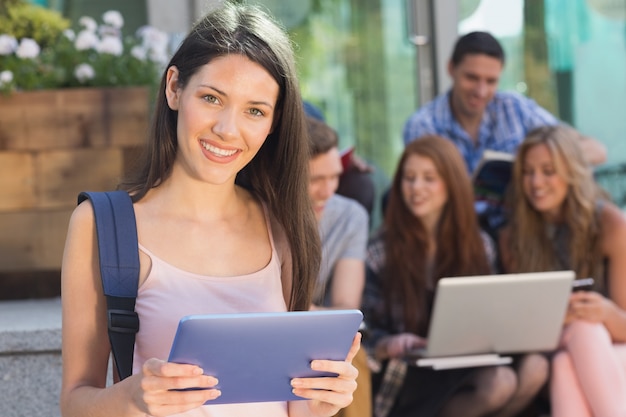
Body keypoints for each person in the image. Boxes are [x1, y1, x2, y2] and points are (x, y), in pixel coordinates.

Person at [59, 3, 360, 417]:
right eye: (212, 98)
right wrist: (132, 397)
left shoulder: (281, 223)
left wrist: (322, 402)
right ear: (174, 88)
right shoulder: (104, 225)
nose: (227, 130)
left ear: (273, 123)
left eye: (255, 110)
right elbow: (75, 402)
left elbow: (291, 408)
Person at [362, 135, 548, 417]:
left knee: (536, 367)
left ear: (451, 184)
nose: (416, 188)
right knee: (498, 383)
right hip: (410, 374)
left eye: (428, 178)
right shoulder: (379, 251)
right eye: (409, 178)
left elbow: (497, 314)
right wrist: (388, 344)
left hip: (466, 362)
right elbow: (361, 328)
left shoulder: (479, 244)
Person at [499, 125, 626, 417]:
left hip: (614, 351)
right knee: (564, 361)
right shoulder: (512, 238)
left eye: (548, 170)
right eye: (528, 172)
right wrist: (556, 321)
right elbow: (516, 333)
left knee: (581, 334)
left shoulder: (610, 225)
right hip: (557, 350)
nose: (536, 182)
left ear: (570, 172)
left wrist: (605, 313)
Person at [402, 31, 606, 174]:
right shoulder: (423, 125)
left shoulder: (515, 107)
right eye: (471, 78)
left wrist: (538, 164)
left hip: (519, 222)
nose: (481, 91)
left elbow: (596, 151)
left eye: (491, 81)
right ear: (451, 69)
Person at [305, 115, 372, 417]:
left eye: (334, 177)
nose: (327, 191)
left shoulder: (349, 216)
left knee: (353, 362)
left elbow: (346, 310)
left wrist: (303, 312)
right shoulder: (260, 213)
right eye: (315, 180)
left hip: (316, 331)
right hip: (269, 329)